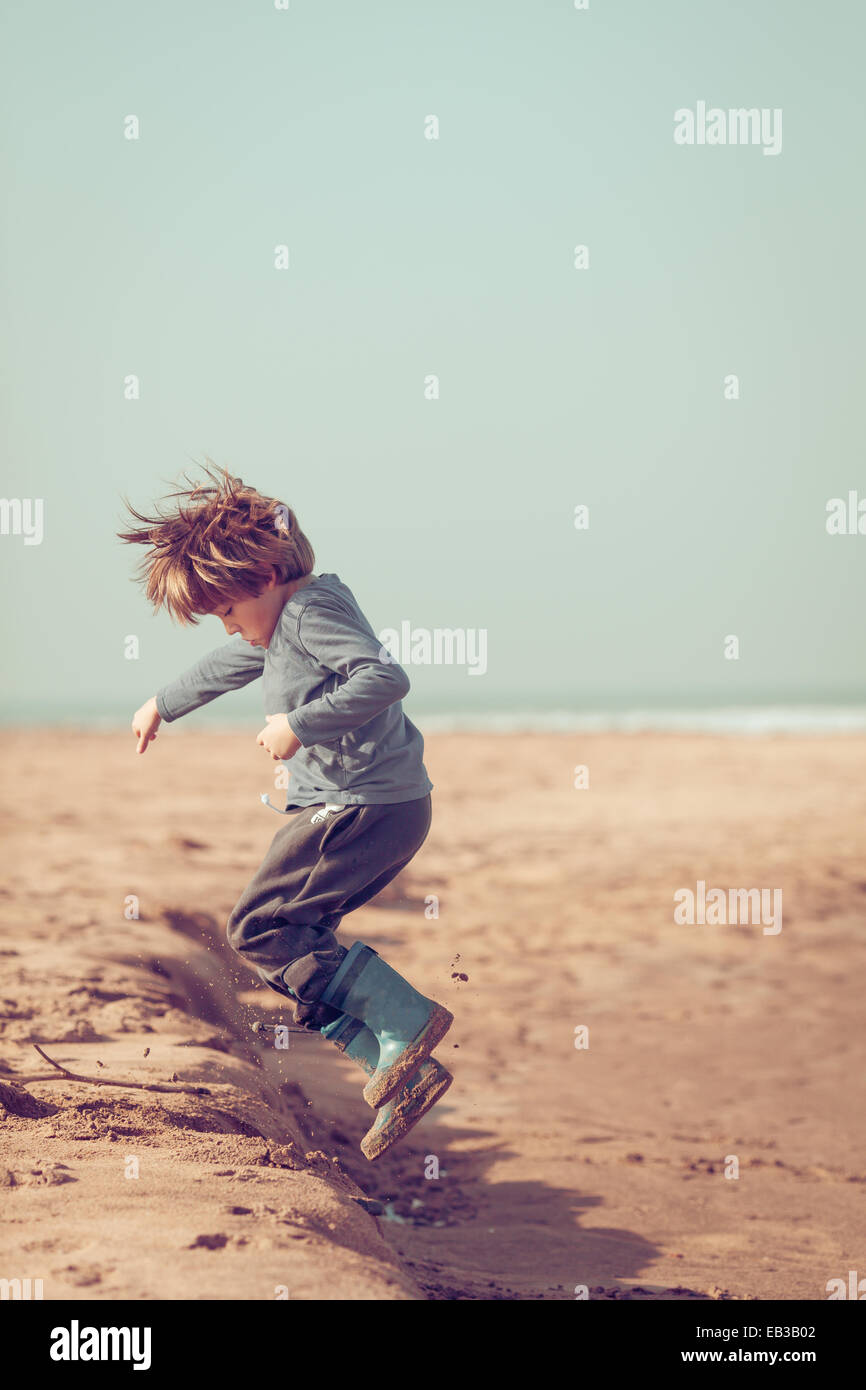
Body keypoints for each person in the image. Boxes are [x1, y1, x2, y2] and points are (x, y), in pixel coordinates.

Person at [119, 461, 452, 1159]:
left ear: (266, 576)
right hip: (376, 804)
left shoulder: (308, 613)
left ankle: (404, 1020)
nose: (229, 627)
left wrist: (300, 725)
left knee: (261, 925)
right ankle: (397, 1068)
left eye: (227, 611)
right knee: (287, 936)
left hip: (359, 804)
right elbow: (226, 665)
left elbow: (384, 677)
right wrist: (162, 703)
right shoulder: (281, 625)